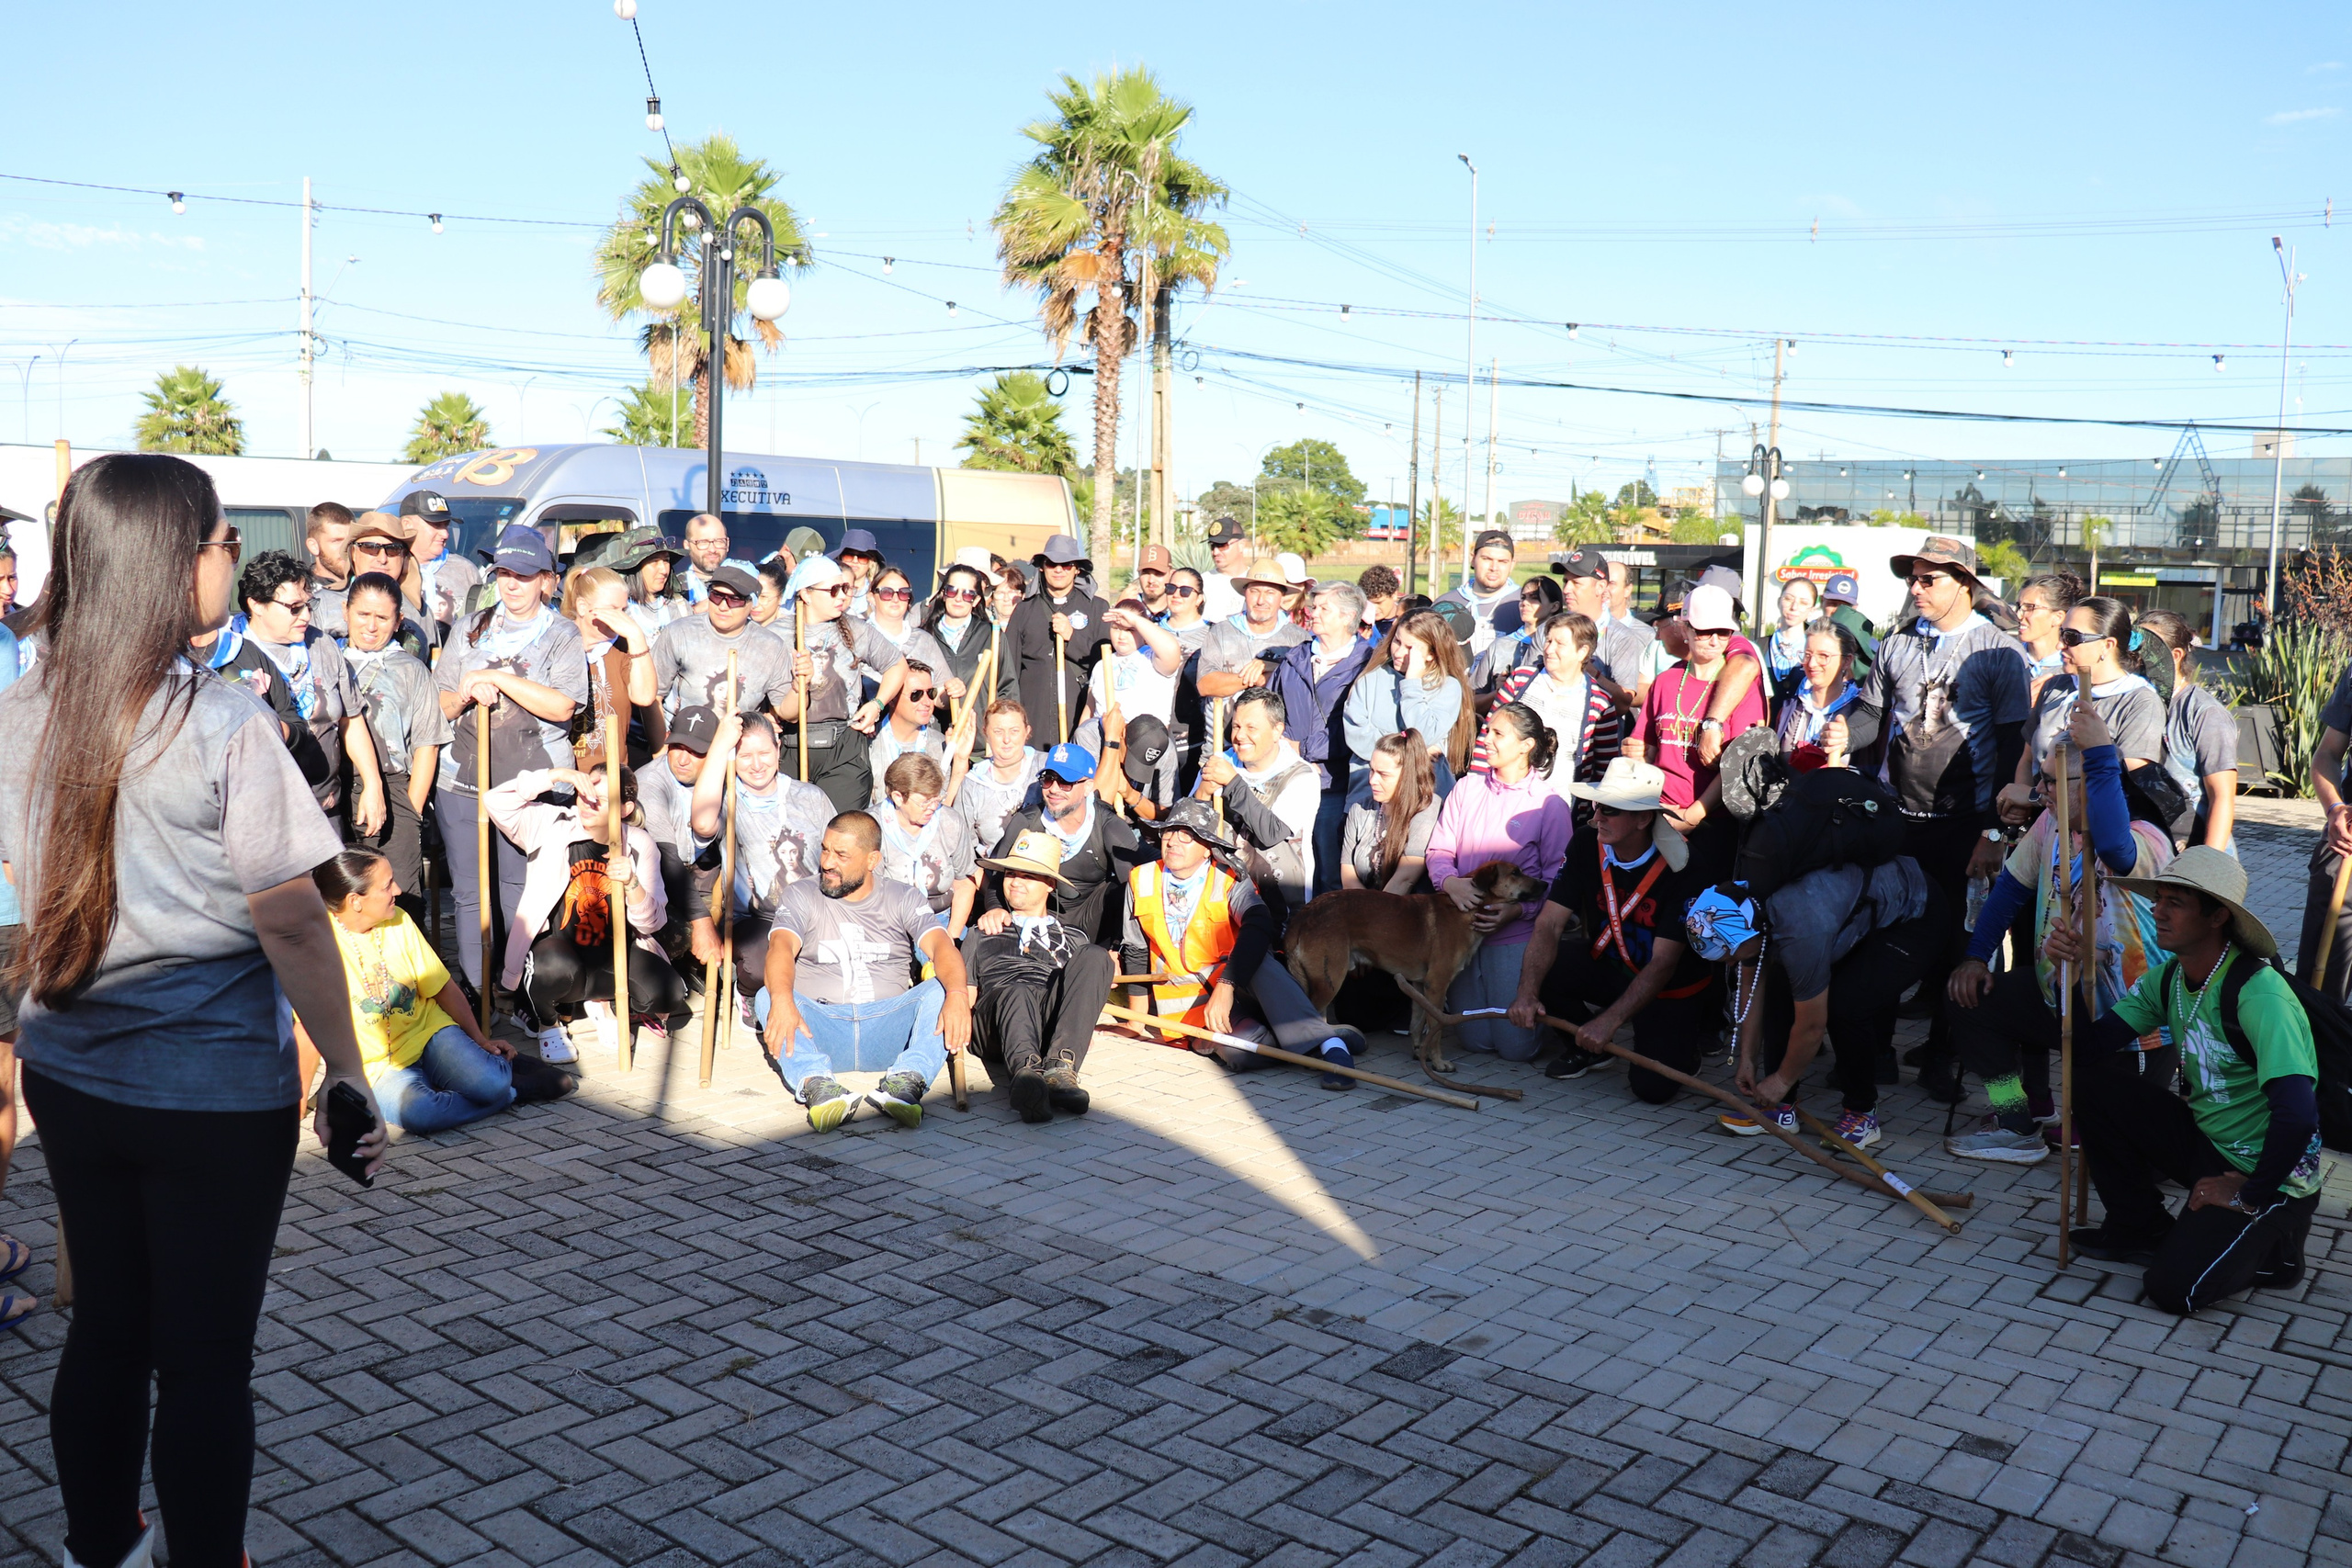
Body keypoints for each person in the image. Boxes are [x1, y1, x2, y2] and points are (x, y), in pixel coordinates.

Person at [0, 451, 384, 1568]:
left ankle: (99, 1548)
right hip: (212, 1095)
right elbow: (296, 921)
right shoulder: (220, 723)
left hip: (71, 1072)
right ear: (172, 562)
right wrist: (350, 1072)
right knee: (206, 1360)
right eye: (221, 539)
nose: (229, 557)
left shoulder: (20, 710)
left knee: (108, 1333)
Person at [2055, 848, 2324, 1310]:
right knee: (2092, 1083)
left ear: (2218, 916)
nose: (2157, 912)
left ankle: (2277, 1247)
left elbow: (2298, 1116)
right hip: (2209, 1143)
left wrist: (2248, 1192)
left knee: (2174, 1290)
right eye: (2157, 900)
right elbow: (2089, 1050)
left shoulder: (2259, 995)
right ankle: (2139, 1225)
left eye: (2174, 903)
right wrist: (2071, 969)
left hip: (2271, 1175)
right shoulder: (2169, 978)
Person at [1946, 703, 2173, 1165]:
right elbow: (2010, 889)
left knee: (2121, 1158)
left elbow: (2111, 845)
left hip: (2131, 1028)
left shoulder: (2144, 838)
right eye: (2041, 778)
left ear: (2090, 784)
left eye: (2052, 781)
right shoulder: (2050, 823)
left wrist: (2103, 753)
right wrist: (1974, 957)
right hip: (2061, 1000)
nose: (2039, 790)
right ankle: (2015, 1119)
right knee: (1967, 1001)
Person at [1869, 536, 2030, 1094]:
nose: (1916, 588)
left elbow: (2014, 750)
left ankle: (1943, 1057)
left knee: (1962, 946)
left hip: (1967, 824)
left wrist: (1996, 832)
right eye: (1911, 578)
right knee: (1886, 931)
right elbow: (1873, 714)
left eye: (1928, 579)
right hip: (1898, 819)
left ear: (1964, 583)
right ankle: (1873, 1054)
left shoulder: (1999, 652)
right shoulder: (1896, 643)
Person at [1684, 850, 1943, 1149]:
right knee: (1780, 986)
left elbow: (1812, 1027)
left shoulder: (1798, 934)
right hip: (1852, 907)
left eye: (1727, 955)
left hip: (1913, 913)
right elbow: (1752, 990)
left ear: (1742, 937)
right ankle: (1781, 1110)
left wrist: (1780, 1080)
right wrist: (1748, 1061)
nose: (1728, 964)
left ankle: (1862, 1113)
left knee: (1846, 1005)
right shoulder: (1747, 911)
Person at [433, 524, 589, 999]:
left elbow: (564, 705)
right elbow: (439, 703)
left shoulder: (562, 634)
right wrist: (465, 691)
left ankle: (519, 987)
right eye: (504, 571)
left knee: (522, 890)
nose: (511, 582)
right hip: (463, 779)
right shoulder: (469, 626)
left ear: (546, 577)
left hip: (532, 784)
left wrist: (494, 678)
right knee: (467, 891)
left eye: (523, 573)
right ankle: (478, 988)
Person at [1120, 799, 1366, 1089]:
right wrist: (1136, 1023)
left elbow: (1259, 923)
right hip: (1192, 1006)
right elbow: (1135, 949)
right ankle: (1310, 1034)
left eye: (1185, 834)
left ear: (1206, 847)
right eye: (1168, 832)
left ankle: (1331, 1045)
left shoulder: (1228, 877)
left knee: (1260, 957)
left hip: (1244, 987)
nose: (1172, 841)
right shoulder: (1141, 879)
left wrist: (1226, 985)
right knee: (1240, 1054)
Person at [1510, 758, 1718, 1096]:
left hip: (1668, 985)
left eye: (1609, 809)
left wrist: (1610, 1020)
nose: (1596, 818)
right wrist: (1526, 993)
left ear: (1643, 819)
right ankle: (1588, 1048)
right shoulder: (1585, 843)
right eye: (1596, 805)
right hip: (1614, 967)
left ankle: (1684, 1045)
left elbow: (1664, 963)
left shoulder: (1686, 866)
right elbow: (1549, 923)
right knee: (1545, 963)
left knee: (1652, 1090)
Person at [758, 811, 973, 1130]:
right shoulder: (801, 893)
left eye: (841, 854)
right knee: (768, 995)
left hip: (889, 1028)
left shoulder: (904, 897)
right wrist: (782, 999)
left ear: (872, 860)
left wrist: (957, 994)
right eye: (825, 849)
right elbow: (780, 948)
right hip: (821, 1027)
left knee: (942, 989)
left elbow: (942, 948)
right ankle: (818, 1085)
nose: (827, 862)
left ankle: (906, 1082)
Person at [300, 847, 518, 1133]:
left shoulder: (399, 919)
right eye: (387, 884)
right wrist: (299, 1101)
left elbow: (442, 987)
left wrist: (480, 1040)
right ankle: (510, 1095)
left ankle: (493, 1081)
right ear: (355, 901)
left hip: (427, 1032)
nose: (399, 890)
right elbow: (308, 1032)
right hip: (375, 1067)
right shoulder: (316, 943)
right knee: (422, 1115)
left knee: (494, 1082)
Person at [484, 761, 680, 1064]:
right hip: (558, 954)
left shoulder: (640, 843)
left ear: (625, 809)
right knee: (552, 968)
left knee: (669, 992)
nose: (586, 804)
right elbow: (495, 801)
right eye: (584, 793)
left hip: (609, 955)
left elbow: (653, 922)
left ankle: (602, 1004)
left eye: (599, 800)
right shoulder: (553, 823)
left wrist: (632, 884)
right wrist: (555, 776)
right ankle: (547, 1023)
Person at [1421, 702, 1573, 1059]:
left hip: (1513, 937)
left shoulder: (1549, 805)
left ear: (1526, 746)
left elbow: (1557, 880)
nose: (1485, 739)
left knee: (1515, 1050)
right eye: (1487, 730)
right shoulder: (1466, 789)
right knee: (1474, 1041)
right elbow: (1439, 851)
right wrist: (1448, 882)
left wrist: (1517, 912)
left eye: (1497, 733)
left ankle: (1547, 1022)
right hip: (1459, 929)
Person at [232, 549, 388, 835]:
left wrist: (373, 784)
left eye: (309, 604)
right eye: (294, 607)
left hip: (325, 807)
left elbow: (350, 720)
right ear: (257, 604)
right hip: (262, 819)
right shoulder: (229, 651)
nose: (306, 615)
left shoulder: (322, 645)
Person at [961, 830, 1115, 1121]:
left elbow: (1080, 994)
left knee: (1096, 955)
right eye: (1010, 874)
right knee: (1017, 989)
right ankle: (1027, 1076)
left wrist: (1082, 1026)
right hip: (997, 1020)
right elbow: (966, 997)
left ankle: (1059, 1070)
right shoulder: (982, 931)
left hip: (1046, 1018)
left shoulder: (1073, 937)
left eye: (1027, 876)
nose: (1016, 882)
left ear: (1050, 885)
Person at [695, 714, 834, 1030]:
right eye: (745, 755)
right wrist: (719, 747)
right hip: (756, 919)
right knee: (761, 967)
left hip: (812, 913)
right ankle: (748, 992)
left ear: (778, 749)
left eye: (764, 753)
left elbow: (838, 853)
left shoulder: (810, 797)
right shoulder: (728, 801)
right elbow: (702, 824)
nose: (756, 764)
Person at [1625, 584, 1761, 877]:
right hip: (1658, 813)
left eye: (1723, 632)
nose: (1714, 640)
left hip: (1713, 820)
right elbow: (1644, 748)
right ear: (1684, 628)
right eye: (1703, 631)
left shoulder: (1737, 688)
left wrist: (1694, 814)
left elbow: (1738, 766)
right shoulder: (1666, 680)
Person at [342, 572, 448, 919]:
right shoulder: (329, 663)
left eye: (382, 617)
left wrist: (411, 811)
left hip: (395, 790)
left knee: (399, 901)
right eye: (363, 615)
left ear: (398, 620)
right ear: (346, 612)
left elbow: (426, 746)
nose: (371, 626)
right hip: (339, 789)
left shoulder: (411, 670)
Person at [1265, 581, 1378, 897]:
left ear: (1347, 616)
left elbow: (1361, 727)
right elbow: (1272, 711)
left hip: (1335, 787)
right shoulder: (1294, 659)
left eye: (1322, 608)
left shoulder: (1368, 664)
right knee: (1284, 872)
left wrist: (1306, 750)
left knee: (1330, 876)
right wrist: (1288, 757)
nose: (1311, 612)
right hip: (1288, 782)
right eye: (1313, 606)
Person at [2002, 596, 2165, 815]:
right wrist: (2019, 808)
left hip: (2095, 834)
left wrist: (2034, 798)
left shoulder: (2139, 702)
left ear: (2107, 645)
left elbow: (2131, 787)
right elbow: (2028, 758)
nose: (2060, 644)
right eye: (2061, 634)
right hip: (2043, 830)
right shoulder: (2056, 686)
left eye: (2072, 637)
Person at [777, 555, 908, 811]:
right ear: (806, 594)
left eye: (846, 589)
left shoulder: (856, 629)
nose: (842, 596)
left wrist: (877, 704)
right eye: (834, 590)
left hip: (843, 745)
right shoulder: (775, 633)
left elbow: (897, 665)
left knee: (840, 829)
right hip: (790, 744)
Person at [978, 741, 1141, 944]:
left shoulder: (1108, 826)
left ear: (1088, 787)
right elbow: (997, 875)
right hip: (1037, 915)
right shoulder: (1026, 821)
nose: (1054, 789)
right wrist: (996, 909)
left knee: (1124, 888)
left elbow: (1136, 891)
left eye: (1066, 782)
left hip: (1094, 919)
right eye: (1048, 779)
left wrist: (1118, 948)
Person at [1194, 686, 1321, 919]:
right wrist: (1202, 793)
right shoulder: (1219, 762)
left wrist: (1232, 783)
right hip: (1220, 896)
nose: (1240, 735)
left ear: (1277, 730)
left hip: (1281, 902)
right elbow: (1188, 826)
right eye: (1236, 726)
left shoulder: (1302, 776)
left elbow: (1272, 832)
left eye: (1251, 727)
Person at [635, 705, 726, 980]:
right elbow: (668, 862)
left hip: (702, 874)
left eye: (696, 752)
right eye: (677, 746)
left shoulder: (725, 778)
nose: (683, 759)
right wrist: (702, 924)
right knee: (681, 936)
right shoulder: (651, 783)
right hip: (656, 883)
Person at [1343, 608, 1475, 797]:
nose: (1398, 652)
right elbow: (1356, 733)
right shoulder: (1370, 679)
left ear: (1432, 653)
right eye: (1397, 641)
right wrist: (1412, 753)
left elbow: (1424, 734)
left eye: (1410, 648)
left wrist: (1412, 683)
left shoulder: (1447, 687)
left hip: (1422, 797)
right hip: (1369, 794)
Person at [1491, 611, 1623, 796]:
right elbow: (1487, 738)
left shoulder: (1600, 703)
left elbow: (1603, 769)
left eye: (1559, 644)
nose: (1548, 649)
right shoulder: (1520, 681)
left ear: (1582, 652)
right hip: (1505, 796)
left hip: (1563, 806)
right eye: (1548, 641)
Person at [2139, 608, 2237, 852]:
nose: (2136, 659)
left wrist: (2206, 864)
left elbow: (2222, 797)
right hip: (2147, 852)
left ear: (2175, 655)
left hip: (2194, 853)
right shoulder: (2134, 702)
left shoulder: (2205, 713)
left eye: (2146, 651)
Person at [650, 561, 793, 719]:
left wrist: (802, 685)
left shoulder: (771, 647)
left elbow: (788, 713)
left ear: (753, 602)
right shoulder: (679, 633)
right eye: (717, 595)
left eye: (735, 599)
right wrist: (661, 743)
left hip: (740, 740)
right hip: (682, 740)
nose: (723, 606)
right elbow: (652, 696)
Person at [1088, 600, 1185, 820]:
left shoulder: (1153, 658)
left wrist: (1135, 619)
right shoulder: (1102, 663)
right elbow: (1090, 709)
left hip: (1145, 751)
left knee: (1150, 812)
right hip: (1107, 746)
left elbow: (1172, 649)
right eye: (1117, 628)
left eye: (1130, 630)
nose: (1122, 636)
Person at [1010, 534, 1110, 747]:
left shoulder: (1098, 608)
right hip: (1033, 715)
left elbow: (1106, 664)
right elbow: (1009, 667)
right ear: (1042, 567)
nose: (1058, 569)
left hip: (1080, 712)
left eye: (1067, 565)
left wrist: (1072, 637)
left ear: (1077, 569)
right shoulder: (1024, 609)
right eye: (1052, 563)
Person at [565, 564, 659, 769]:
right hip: (564, 774)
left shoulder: (623, 647)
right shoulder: (558, 642)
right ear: (582, 607)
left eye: (624, 610)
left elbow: (644, 697)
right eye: (612, 610)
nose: (621, 618)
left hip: (612, 776)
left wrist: (636, 635)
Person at [876, 752, 978, 929]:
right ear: (898, 797)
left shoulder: (950, 822)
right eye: (924, 801)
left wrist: (951, 937)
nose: (933, 807)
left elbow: (965, 883)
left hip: (942, 919)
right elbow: (867, 896)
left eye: (936, 799)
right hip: (890, 923)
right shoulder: (873, 827)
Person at [1775, 618, 1881, 774]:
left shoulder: (1862, 711)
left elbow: (1875, 770)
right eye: (1807, 654)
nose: (1811, 664)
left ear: (1846, 661)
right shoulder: (1792, 706)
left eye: (1823, 656)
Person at [1340, 728, 1440, 893]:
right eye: (1372, 770)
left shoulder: (1427, 808)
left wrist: (1373, 918)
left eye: (1383, 774)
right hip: (1360, 909)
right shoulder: (1359, 809)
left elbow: (1405, 880)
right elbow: (1348, 878)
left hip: (1406, 911)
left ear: (1408, 775)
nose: (1372, 780)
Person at [952, 698, 1045, 854]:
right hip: (993, 870)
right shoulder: (973, 784)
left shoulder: (1046, 767)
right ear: (985, 733)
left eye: (1014, 731)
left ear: (1027, 731)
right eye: (998, 732)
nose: (1006, 739)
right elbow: (963, 842)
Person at [922, 560, 1009, 723]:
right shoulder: (925, 636)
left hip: (983, 740)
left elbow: (1008, 689)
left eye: (968, 594)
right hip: (936, 739)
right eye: (952, 591)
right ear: (943, 594)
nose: (958, 599)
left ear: (976, 601)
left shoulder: (992, 635)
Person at [867, 660, 955, 803]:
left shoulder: (942, 745)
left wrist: (960, 761)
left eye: (931, 693)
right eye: (916, 694)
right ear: (892, 697)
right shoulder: (867, 743)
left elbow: (947, 805)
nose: (927, 702)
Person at [398, 490, 481, 639]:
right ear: (407, 525)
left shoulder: (465, 570)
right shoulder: (390, 565)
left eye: (446, 525)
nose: (445, 534)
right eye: (436, 525)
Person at [346, 512, 431, 655]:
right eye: (370, 548)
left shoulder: (421, 612)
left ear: (404, 556)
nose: (382, 559)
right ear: (354, 553)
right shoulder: (326, 607)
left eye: (393, 550)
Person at [861, 562, 949, 693]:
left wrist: (952, 689)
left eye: (903, 593)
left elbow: (940, 692)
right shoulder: (858, 637)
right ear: (871, 597)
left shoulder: (924, 640)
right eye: (887, 592)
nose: (895, 599)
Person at [1437, 530, 1522, 661]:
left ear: (1512, 564)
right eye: (1487, 559)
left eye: (1502, 561)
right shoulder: (1445, 604)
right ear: (1473, 559)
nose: (1494, 567)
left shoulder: (1525, 604)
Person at [1473, 575, 1565, 694]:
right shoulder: (1499, 646)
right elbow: (1473, 698)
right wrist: (1500, 692)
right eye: (1523, 597)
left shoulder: (1565, 646)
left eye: (1534, 598)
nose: (1525, 603)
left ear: (1554, 606)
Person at [2012, 570, 2082, 708]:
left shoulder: (2075, 669)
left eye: (2029, 608)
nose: (2019, 615)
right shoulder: (2005, 660)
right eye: (2019, 607)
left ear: (2058, 617)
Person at [603, 525, 687, 637]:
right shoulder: (619, 612)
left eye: (666, 561)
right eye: (654, 561)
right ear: (635, 567)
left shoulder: (680, 608)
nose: (664, 570)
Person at [1759, 577, 1821, 719]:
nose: (1794, 607)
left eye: (1803, 603)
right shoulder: (1759, 646)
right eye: (1788, 599)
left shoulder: (1816, 649)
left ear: (1811, 610)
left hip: (1799, 730)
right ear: (1779, 602)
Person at [301, 500, 356, 637]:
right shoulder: (301, 593)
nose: (345, 549)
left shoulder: (366, 586)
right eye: (336, 541)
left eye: (350, 542)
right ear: (314, 546)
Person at [1601, 558, 1657, 692]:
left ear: (1627, 590)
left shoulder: (1647, 636)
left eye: (1611, 583)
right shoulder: (1582, 628)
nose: (1604, 589)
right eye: (1601, 583)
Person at [677, 513, 753, 605]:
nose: (712, 549)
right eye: (703, 542)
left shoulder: (747, 582)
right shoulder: (674, 588)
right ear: (687, 546)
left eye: (719, 541)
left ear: (727, 544)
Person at [1818, 572, 1877, 682]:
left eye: (1845, 607)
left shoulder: (1870, 647)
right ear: (1822, 601)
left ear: (1855, 608)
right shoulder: (1806, 636)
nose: (1838, 611)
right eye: (1833, 604)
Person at [1199, 514, 1251, 621]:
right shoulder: (1202, 582)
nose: (1215, 552)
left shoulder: (1254, 580)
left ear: (1241, 545)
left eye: (1222, 545)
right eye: (1213, 546)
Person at [834, 526, 888, 618]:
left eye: (862, 557)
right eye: (849, 555)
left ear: (871, 563)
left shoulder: (880, 595)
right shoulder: (827, 590)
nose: (855, 561)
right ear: (840, 558)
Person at [1358, 563, 1402, 637]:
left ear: (1394, 595)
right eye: (1368, 603)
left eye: (1379, 602)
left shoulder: (1408, 623)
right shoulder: (1359, 624)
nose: (1374, 608)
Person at [1132, 543, 1174, 619]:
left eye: (1159, 573)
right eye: (1146, 573)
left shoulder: (1180, 612)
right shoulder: (1127, 609)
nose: (1151, 580)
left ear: (1171, 574)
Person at [751, 558, 791, 629]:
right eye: (751, 596)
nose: (755, 604)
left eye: (763, 597)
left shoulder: (789, 631)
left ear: (781, 598)